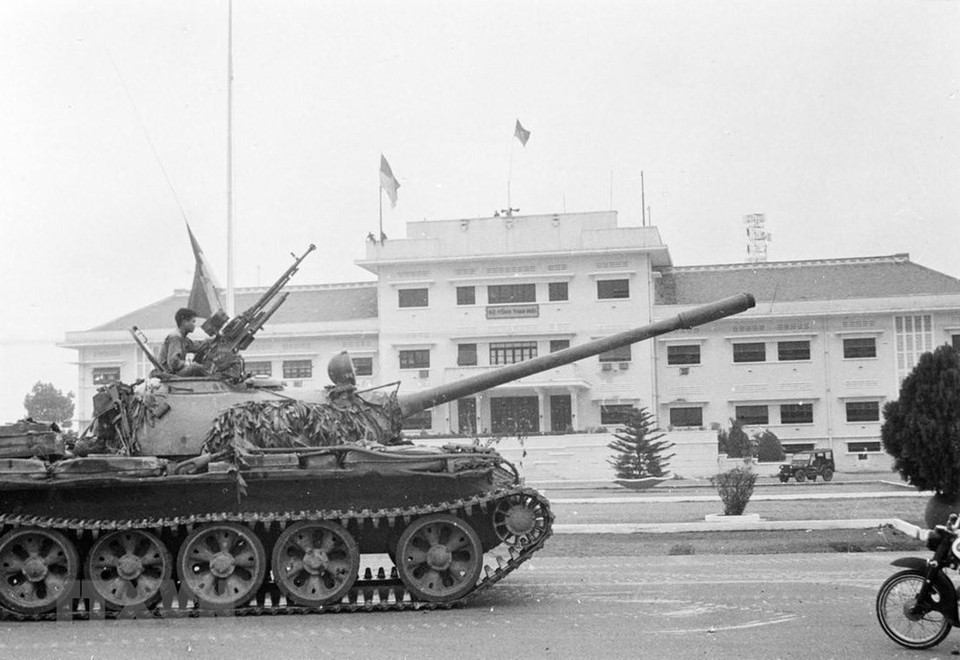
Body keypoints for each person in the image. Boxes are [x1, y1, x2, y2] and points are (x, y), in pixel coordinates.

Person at [157, 308, 210, 376]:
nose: (194, 325)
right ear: (184, 322)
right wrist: (188, 364)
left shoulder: (183, 338)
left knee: (198, 364)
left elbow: (197, 346)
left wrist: (211, 340)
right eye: (193, 322)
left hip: (173, 373)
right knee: (196, 367)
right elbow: (173, 363)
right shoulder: (175, 337)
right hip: (170, 374)